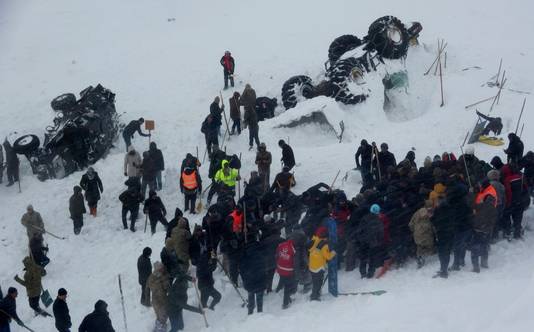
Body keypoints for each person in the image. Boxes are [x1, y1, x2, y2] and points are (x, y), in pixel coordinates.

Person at [190, 226, 221, 310]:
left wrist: (214, 260)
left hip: (208, 264)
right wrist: (194, 260)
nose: (199, 233)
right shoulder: (192, 241)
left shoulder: (206, 238)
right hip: (200, 265)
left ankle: (204, 307)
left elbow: (211, 250)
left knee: (207, 286)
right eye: (197, 231)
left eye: (200, 231)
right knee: (205, 289)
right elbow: (191, 254)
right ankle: (205, 307)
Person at [471, 180, 498, 272]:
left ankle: (476, 266)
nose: (479, 186)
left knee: (476, 245)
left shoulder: (488, 195)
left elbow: (482, 208)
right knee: (484, 244)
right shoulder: (488, 192)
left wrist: (475, 208)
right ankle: (484, 262)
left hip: (481, 224)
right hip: (486, 224)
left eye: (480, 185)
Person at [167, 266, 202, 332]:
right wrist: (199, 311)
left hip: (178, 308)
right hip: (172, 311)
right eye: (184, 288)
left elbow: (183, 276)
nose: (186, 288)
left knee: (181, 326)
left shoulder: (180, 280)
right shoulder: (176, 296)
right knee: (175, 328)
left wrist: (191, 279)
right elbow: (187, 307)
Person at [356, 204, 385, 279]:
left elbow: (359, 230)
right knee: (372, 258)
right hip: (374, 243)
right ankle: (370, 273)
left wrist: (361, 239)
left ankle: (363, 273)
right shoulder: (378, 220)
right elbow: (381, 232)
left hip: (364, 242)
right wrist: (379, 241)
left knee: (363, 258)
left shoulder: (364, 218)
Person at [308, 226, 335, 300]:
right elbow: (328, 257)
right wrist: (333, 252)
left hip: (312, 265)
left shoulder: (314, 240)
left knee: (315, 282)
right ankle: (315, 296)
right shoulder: (324, 245)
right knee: (319, 282)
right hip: (319, 267)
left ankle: (314, 294)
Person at [431, 196, 456, 278]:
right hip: (450, 233)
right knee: (447, 252)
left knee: (442, 252)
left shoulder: (438, 210)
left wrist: (431, 217)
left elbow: (434, 221)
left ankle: (443, 270)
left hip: (441, 233)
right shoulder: (451, 209)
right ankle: (444, 269)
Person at [240, 238, 266, 315]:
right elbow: (264, 267)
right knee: (259, 298)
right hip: (259, 280)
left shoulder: (244, 254)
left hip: (249, 280)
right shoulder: (260, 253)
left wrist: (245, 278)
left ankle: (250, 313)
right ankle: (259, 313)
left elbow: (242, 269)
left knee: (250, 297)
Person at [408, 200, 435, 268]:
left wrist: (414, 230)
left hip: (417, 234)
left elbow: (410, 224)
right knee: (428, 245)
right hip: (426, 234)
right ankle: (424, 257)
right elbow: (433, 225)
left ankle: (420, 258)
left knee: (419, 246)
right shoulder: (430, 214)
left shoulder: (416, 213)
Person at [147, 262, 170, 332]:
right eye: (160, 268)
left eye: (162, 268)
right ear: (157, 269)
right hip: (157, 299)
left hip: (162, 298)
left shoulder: (163, 275)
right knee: (161, 314)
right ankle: (160, 328)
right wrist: (160, 282)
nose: (162, 269)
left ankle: (159, 327)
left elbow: (166, 286)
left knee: (162, 314)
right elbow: (152, 287)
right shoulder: (152, 277)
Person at [276, 238, 297, 309]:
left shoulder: (281, 245)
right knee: (288, 287)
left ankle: (282, 294)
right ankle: (285, 303)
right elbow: (294, 260)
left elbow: (277, 254)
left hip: (280, 268)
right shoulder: (292, 249)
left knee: (283, 281)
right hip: (288, 270)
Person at [241, 84, 259, 149]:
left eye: (248, 88)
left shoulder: (252, 91)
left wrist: (246, 121)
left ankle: (258, 146)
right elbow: (242, 99)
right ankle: (251, 144)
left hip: (251, 108)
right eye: (246, 88)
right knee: (251, 135)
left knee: (255, 135)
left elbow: (253, 99)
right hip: (248, 108)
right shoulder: (245, 91)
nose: (247, 89)